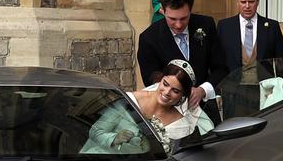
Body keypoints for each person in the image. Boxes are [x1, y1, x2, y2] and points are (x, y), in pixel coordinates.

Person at [137, 0, 227, 125]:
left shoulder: (206, 25)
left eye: (184, 18)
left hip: (207, 110)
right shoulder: (149, 38)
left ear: (190, 10)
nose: (178, 25)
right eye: (172, 19)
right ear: (162, 10)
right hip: (170, 116)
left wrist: (203, 90)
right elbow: (151, 79)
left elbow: (221, 68)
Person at [81, 61, 213, 155]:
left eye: (175, 91)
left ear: (183, 95)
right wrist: (114, 139)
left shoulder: (183, 123)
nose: (166, 92)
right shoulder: (129, 101)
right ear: (160, 80)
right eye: (165, 84)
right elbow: (95, 132)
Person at [217, 0, 283, 75]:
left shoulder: (272, 27)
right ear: (237, 2)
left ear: (257, 1)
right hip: (231, 86)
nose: (247, 6)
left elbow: (281, 63)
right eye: (243, 2)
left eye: (251, 2)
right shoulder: (224, 26)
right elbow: (217, 61)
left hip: (264, 86)